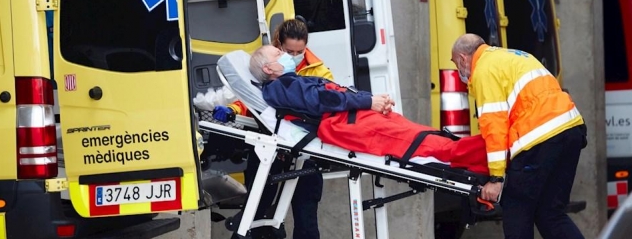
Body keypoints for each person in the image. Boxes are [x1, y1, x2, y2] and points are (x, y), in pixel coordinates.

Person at [249, 45, 489, 172]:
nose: (285, 55)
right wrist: (368, 102)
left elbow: (336, 91)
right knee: (423, 146)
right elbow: (321, 100)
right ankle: (492, 153)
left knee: (424, 136)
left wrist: (373, 99)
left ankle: (490, 151)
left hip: (355, 117)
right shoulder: (278, 87)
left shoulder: (294, 80)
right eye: (278, 54)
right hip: (347, 125)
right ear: (269, 69)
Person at [451, 33, 586, 239]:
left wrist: (496, 178)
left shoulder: (484, 71)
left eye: (455, 64)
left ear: (462, 58)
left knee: (516, 208)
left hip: (541, 137)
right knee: (550, 213)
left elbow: (495, 126)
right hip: (571, 130)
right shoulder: (513, 56)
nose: (459, 71)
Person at [218, 19, 335, 239]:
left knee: (306, 219)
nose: (294, 56)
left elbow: (327, 104)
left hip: (305, 151)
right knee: (255, 213)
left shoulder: (319, 72)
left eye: (299, 51)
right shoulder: (266, 64)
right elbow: (250, 99)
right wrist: (232, 109)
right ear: (278, 45)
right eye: (289, 51)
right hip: (270, 150)